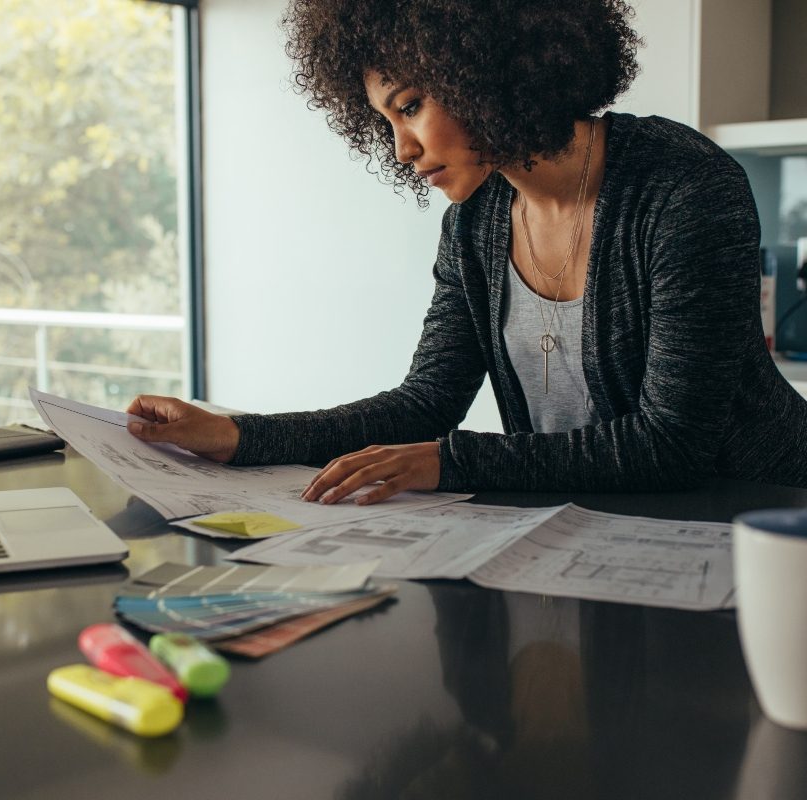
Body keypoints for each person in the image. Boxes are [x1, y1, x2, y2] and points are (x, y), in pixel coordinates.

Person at [127, 0, 807, 502]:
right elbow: (424, 403)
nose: (402, 148)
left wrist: (450, 463)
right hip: (605, 530)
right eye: (385, 121)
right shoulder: (476, 223)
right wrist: (237, 436)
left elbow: (672, 443)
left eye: (412, 104)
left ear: (484, 65)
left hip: (758, 523)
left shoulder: (684, 187)